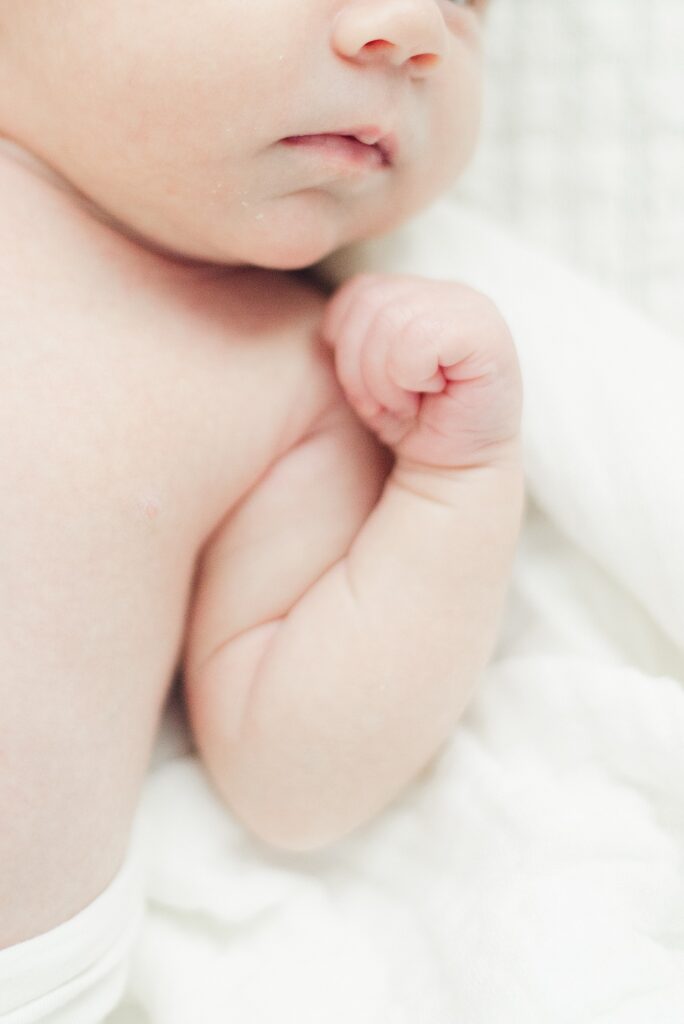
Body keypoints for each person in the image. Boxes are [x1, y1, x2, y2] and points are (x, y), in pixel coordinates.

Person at [0, 0, 523, 1018]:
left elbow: (297, 779)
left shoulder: (299, 377)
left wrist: (458, 483)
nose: (415, 31)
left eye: (469, 5)